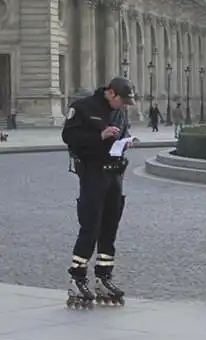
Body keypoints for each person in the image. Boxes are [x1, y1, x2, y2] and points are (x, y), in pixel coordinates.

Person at [62, 76, 135, 309]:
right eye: (122, 100)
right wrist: (99, 136)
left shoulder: (120, 111)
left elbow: (123, 132)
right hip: (93, 173)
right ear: (111, 93)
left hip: (115, 174)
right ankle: (77, 278)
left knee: (110, 227)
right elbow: (69, 137)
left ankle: (103, 277)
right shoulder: (83, 107)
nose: (124, 105)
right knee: (90, 227)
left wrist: (126, 142)